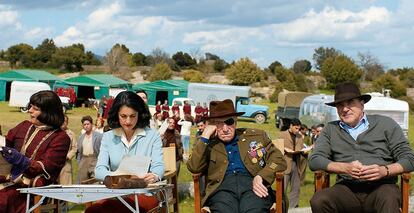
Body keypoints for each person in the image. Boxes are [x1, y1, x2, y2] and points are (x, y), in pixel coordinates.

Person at [309, 82, 414, 213]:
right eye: (340, 105)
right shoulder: (330, 129)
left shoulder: (386, 124)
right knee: (319, 200)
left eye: (350, 103)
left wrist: (384, 170)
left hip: (381, 187)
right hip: (346, 189)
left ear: (362, 103)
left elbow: (409, 159)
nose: (345, 109)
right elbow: (315, 160)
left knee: (389, 197)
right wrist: (344, 168)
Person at [187, 99, 286, 212]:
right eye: (219, 123)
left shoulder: (255, 137)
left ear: (236, 122)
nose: (225, 129)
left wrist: (261, 176)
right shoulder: (206, 143)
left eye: (229, 122)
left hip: (252, 185)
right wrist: (205, 135)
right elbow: (194, 167)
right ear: (213, 124)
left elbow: (278, 160)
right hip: (221, 189)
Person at [86, 91, 164, 213]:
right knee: (93, 211)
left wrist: (154, 176)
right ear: (116, 114)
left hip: (143, 192)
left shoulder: (152, 136)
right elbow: (99, 170)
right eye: (123, 116)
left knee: (116, 209)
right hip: (115, 193)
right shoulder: (108, 137)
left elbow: (158, 166)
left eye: (133, 116)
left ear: (140, 114)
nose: (128, 121)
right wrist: (120, 179)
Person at [0, 90, 70, 213]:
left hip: (31, 190)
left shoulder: (60, 138)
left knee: (3, 199)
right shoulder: (24, 126)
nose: (30, 111)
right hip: (7, 181)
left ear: (48, 112)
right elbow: (6, 143)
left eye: (35, 108)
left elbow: (46, 167)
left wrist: (22, 160)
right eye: (30, 106)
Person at [278, 118, 307, 208]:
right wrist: (284, 149)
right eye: (296, 128)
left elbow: (301, 147)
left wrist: (305, 151)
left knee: (296, 188)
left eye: (298, 128)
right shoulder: (282, 135)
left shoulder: (299, 136)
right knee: (282, 188)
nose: (297, 131)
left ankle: (293, 208)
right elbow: (277, 149)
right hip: (285, 165)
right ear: (291, 126)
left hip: (297, 164)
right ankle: (281, 207)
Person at [77, 116, 102, 183]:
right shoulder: (81, 137)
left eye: (88, 124)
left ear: (91, 124)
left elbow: (102, 150)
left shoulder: (99, 136)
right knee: (83, 182)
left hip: (94, 159)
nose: (86, 126)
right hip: (84, 159)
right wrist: (79, 163)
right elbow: (79, 152)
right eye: (84, 124)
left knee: (95, 181)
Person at [58, 115, 78, 185]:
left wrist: (67, 156)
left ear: (67, 122)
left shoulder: (71, 134)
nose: (64, 123)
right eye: (62, 121)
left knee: (65, 185)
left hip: (66, 164)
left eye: (65, 121)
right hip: (54, 163)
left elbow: (74, 147)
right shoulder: (54, 133)